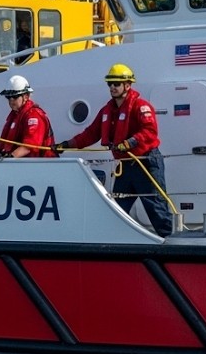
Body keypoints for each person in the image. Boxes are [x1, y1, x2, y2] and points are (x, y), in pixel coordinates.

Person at [53, 63, 175, 236]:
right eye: (110, 84)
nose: (112, 87)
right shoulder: (107, 110)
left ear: (127, 85)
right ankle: (117, 243)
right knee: (118, 209)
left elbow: (150, 130)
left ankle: (169, 244)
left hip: (145, 163)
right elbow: (91, 134)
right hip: (125, 167)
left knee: (156, 209)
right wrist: (66, 145)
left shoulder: (141, 106)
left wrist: (130, 142)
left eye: (116, 84)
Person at [0, 75, 57, 159]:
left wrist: (11, 157)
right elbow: (3, 146)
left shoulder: (34, 115)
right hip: (22, 165)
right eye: (8, 97)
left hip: (42, 165)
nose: (11, 100)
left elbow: (30, 146)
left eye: (15, 97)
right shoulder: (14, 115)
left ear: (26, 96)